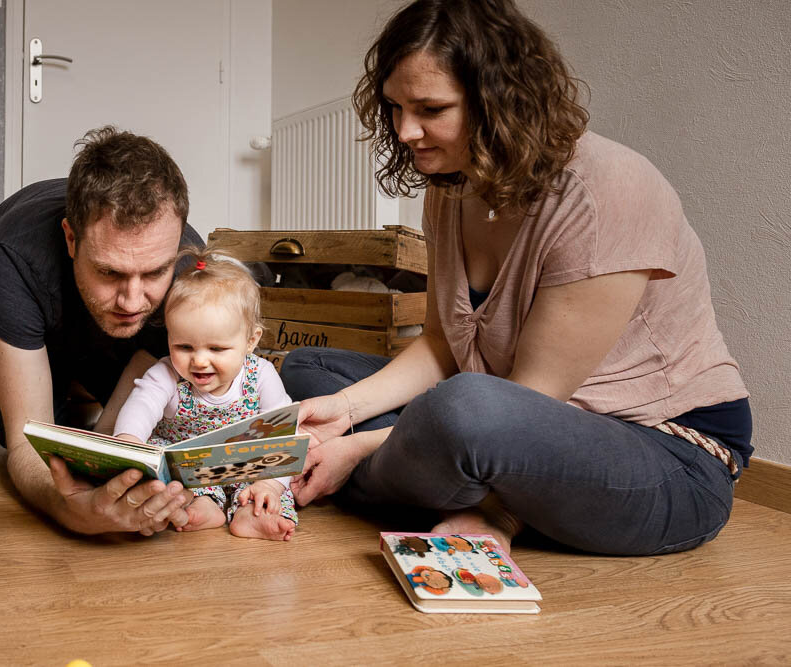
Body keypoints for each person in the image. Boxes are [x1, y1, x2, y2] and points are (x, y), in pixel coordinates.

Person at [281, 0, 752, 557]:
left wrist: (358, 447)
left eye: (431, 108)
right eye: (396, 107)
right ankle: (452, 490)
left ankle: (421, 485)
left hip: (667, 454)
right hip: (499, 415)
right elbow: (440, 343)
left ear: (500, 100)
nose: (406, 130)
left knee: (462, 413)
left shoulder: (606, 191)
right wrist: (349, 411)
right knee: (311, 371)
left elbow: (529, 401)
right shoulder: (451, 187)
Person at [0, 126, 203, 536]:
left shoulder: (186, 267)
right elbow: (27, 442)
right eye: (109, 272)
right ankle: (63, 376)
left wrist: (110, 456)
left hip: (107, 326)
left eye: (154, 272)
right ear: (71, 239)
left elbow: (119, 439)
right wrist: (70, 510)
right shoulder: (12, 260)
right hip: (22, 269)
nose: (133, 301)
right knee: (44, 436)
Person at [113, 247, 299, 541]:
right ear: (170, 337)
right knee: (165, 468)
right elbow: (142, 405)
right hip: (189, 468)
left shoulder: (261, 375)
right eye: (184, 347)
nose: (199, 361)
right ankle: (204, 506)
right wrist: (129, 442)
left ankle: (250, 514)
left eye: (216, 349)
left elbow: (284, 433)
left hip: (245, 465)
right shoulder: (167, 375)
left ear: (250, 341)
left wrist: (272, 484)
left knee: (269, 483)